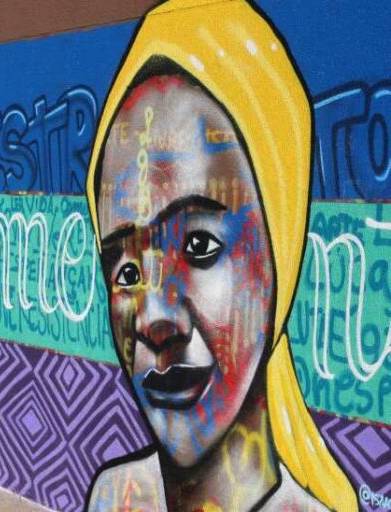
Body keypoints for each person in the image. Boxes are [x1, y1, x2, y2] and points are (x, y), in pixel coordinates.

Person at [84, 0, 357, 510]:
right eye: (126, 271)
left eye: (199, 246)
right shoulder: (114, 495)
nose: (154, 318)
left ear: (282, 245)